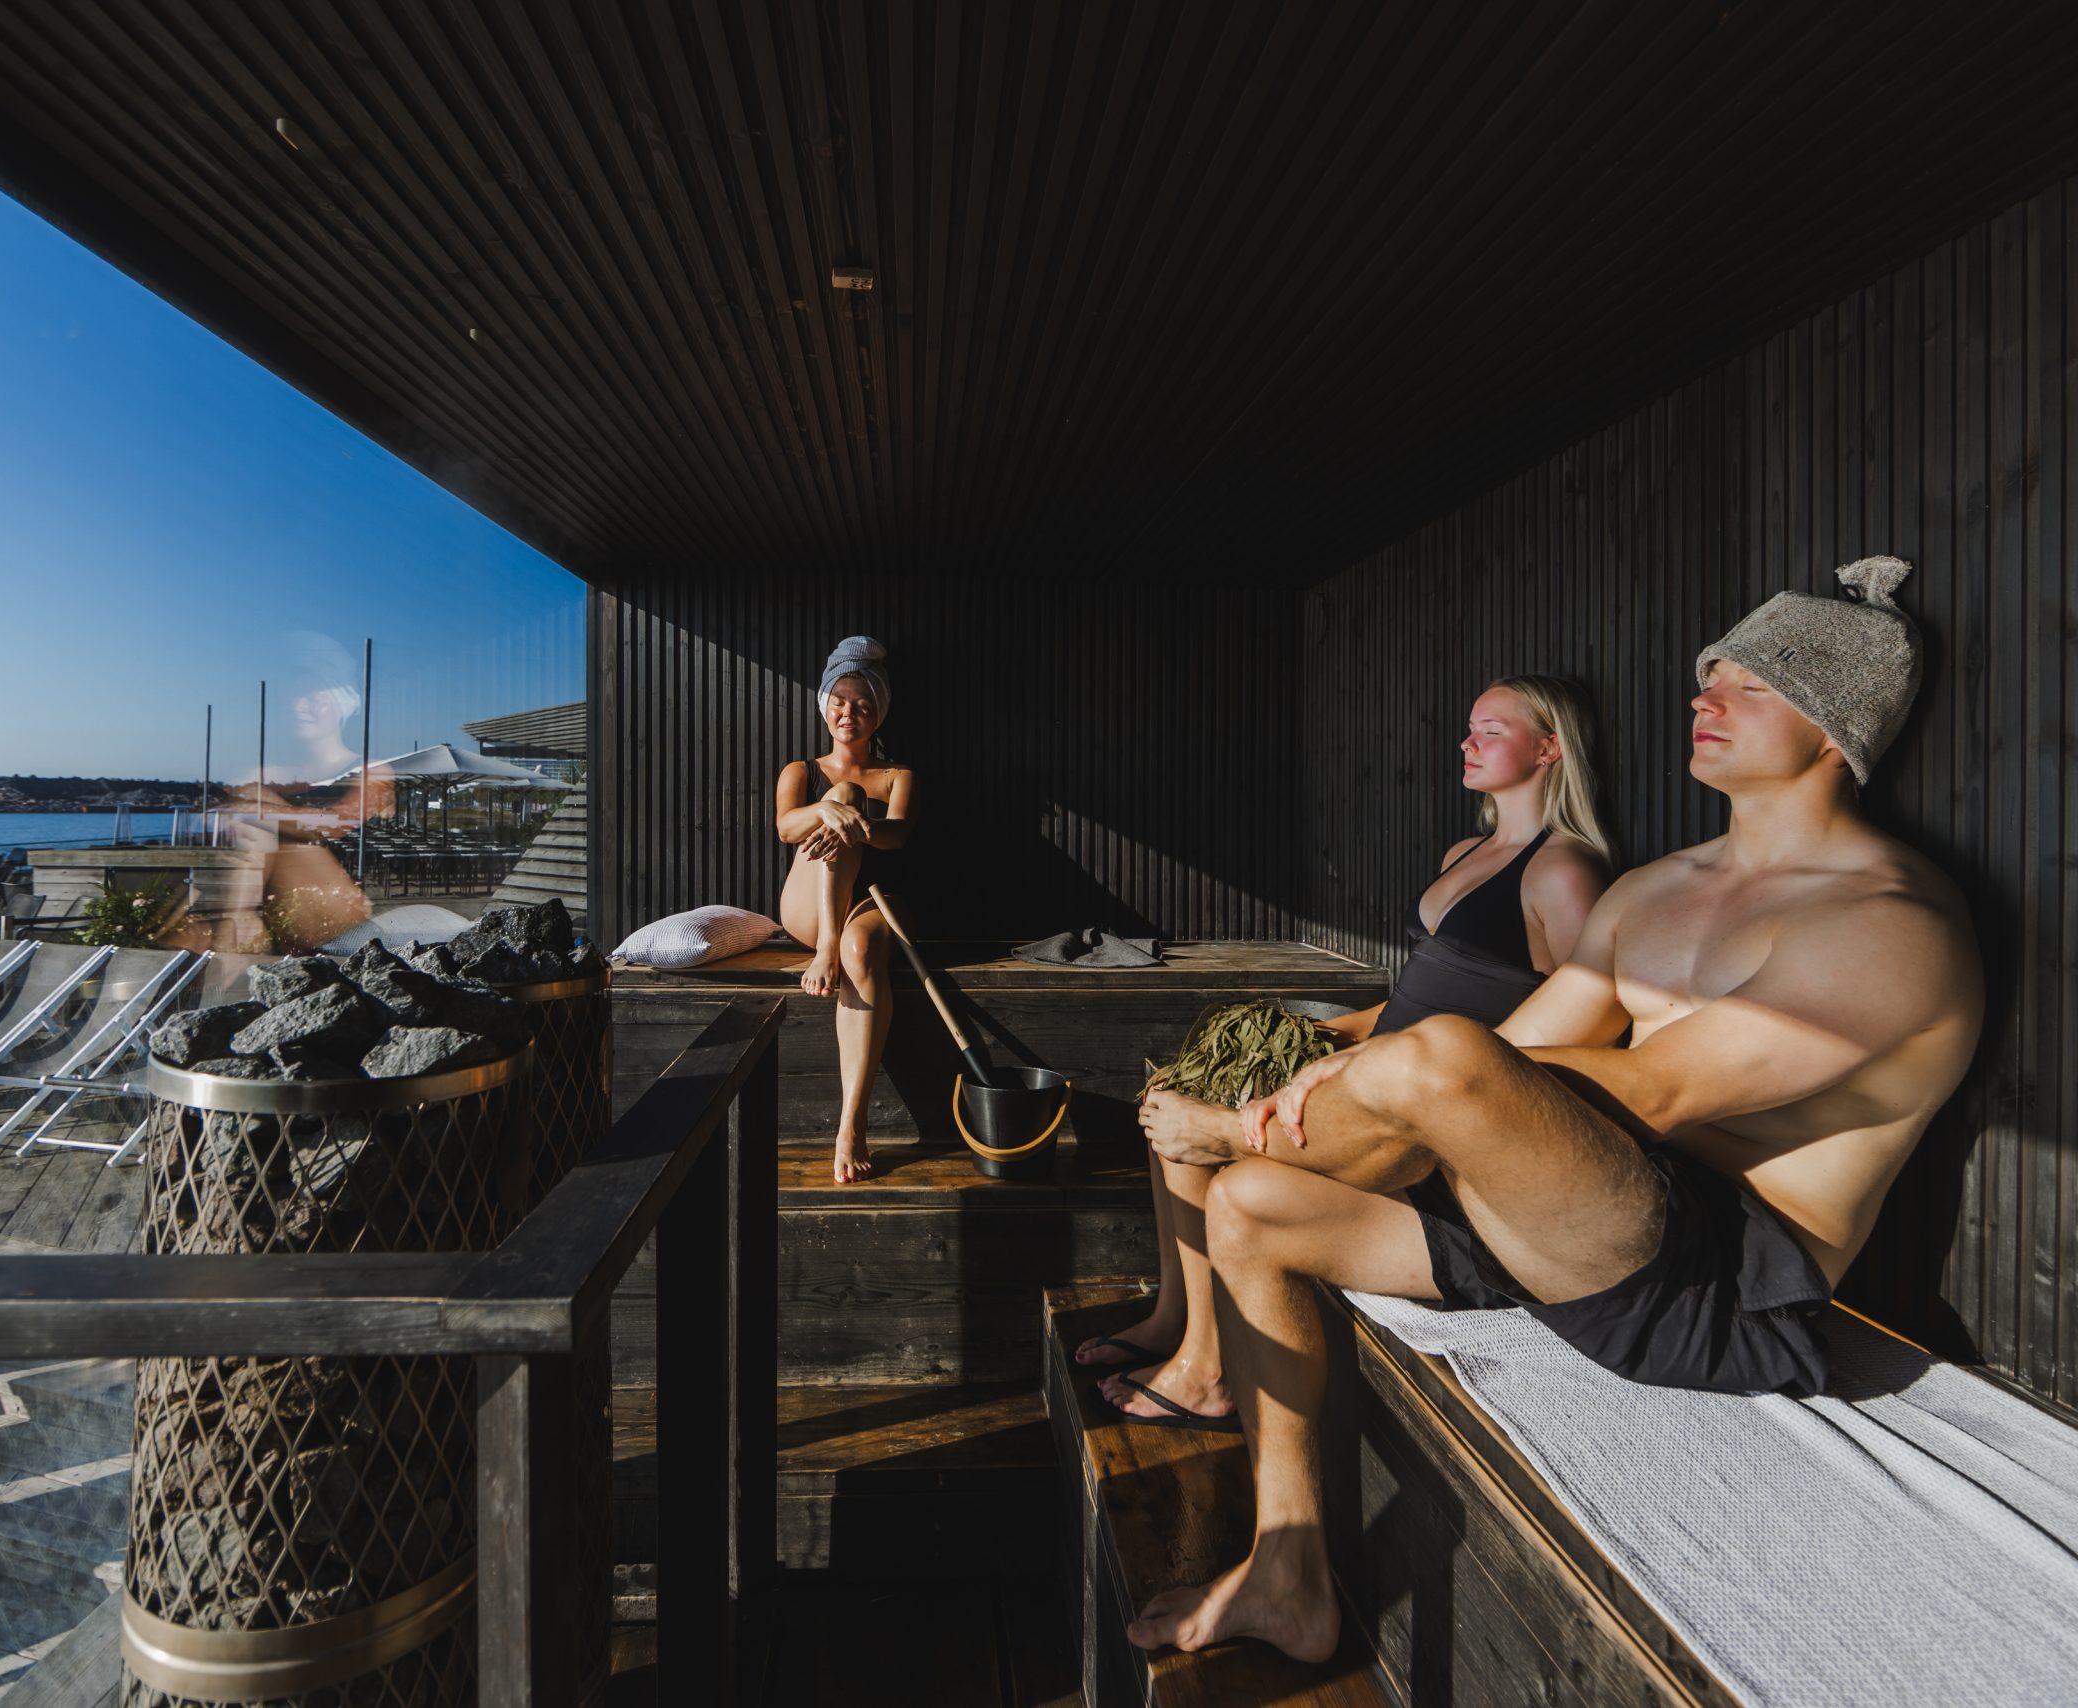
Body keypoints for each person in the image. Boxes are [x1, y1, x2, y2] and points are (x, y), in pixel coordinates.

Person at [1127, 558, 1982, 1663]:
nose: (1703, 697)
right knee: (1248, 1208)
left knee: (1423, 1065)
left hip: (1714, 1283)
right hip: (1572, 1215)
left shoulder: (1890, 922)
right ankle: (1285, 1567)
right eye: (1705, 676)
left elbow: (1658, 1090)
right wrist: (1364, 1093)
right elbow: (1528, 1058)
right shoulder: (1654, 889)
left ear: (1835, 731)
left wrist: (1306, 1103)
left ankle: (1236, 1144)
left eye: (1748, 684)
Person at [1076, 677, 1615, 1428]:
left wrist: (1402, 1075)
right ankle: (1176, 1316)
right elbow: (1413, 1001)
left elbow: (1577, 1028)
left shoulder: (1564, 872)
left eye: (1490, 730)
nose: (1466, 742)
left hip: (1417, 1111)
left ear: (1549, 747)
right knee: (1169, 1094)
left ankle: (1206, 1363)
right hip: (1367, 1073)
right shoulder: (1471, 849)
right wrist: (1324, 1036)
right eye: (1468, 727)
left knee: (1197, 1132)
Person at [776, 637, 919, 1183]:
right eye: (840, 700)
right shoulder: (799, 771)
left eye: (862, 704)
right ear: (824, 704)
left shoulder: (898, 775)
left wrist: (853, 817)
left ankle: (851, 1122)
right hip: (809, 907)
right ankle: (829, 943)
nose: (848, 713)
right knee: (844, 797)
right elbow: (788, 828)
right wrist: (833, 808)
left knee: (862, 951)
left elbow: (900, 835)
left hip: (876, 903)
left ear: (878, 711)